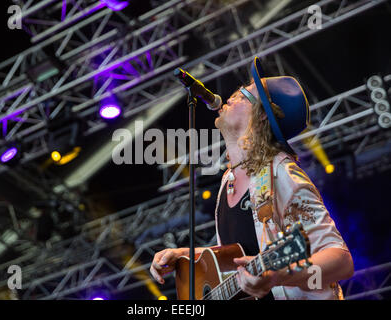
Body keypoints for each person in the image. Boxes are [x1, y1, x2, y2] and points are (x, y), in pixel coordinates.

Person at [149, 56, 354, 300]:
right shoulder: (228, 180)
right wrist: (185, 255)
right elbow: (240, 255)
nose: (230, 97)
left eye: (242, 95)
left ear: (262, 116)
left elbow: (341, 261)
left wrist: (279, 276)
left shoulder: (282, 173)